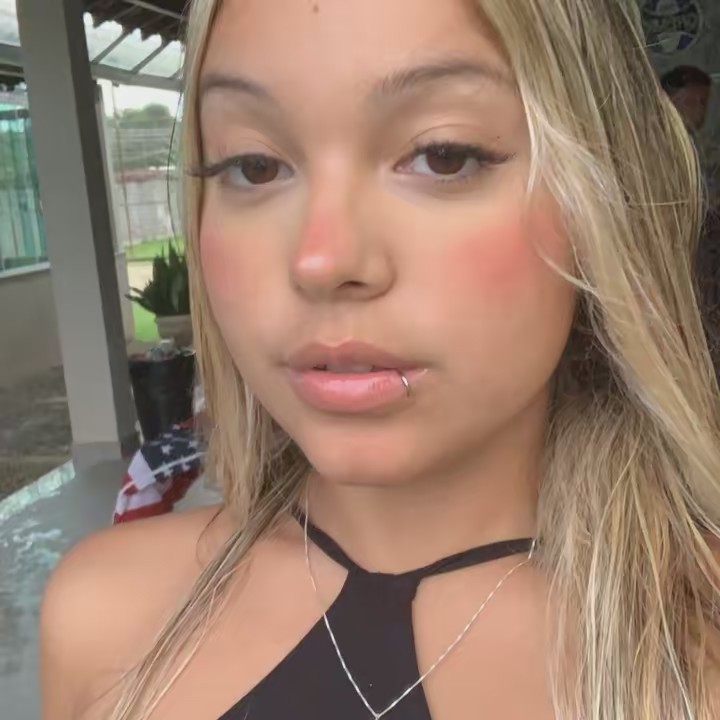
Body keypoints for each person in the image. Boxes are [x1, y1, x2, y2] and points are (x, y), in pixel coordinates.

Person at [41, 1, 720, 719]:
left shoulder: (696, 650)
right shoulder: (107, 625)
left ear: (602, 196)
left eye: (444, 155)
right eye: (254, 166)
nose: (322, 260)